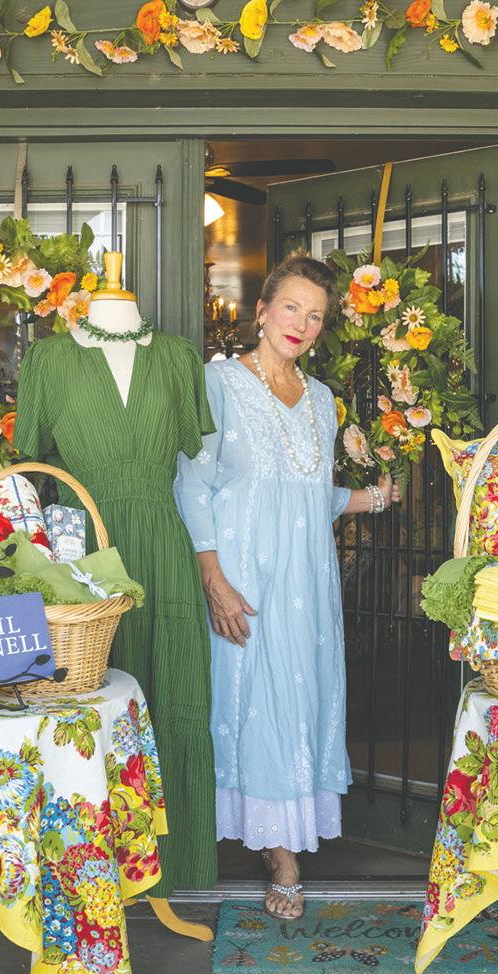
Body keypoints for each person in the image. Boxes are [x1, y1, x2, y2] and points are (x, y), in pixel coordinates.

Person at [174, 254, 400, 920]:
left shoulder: (323, 400)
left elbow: (307, 495)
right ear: (263, 310)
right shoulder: (218, 383)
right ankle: (282, 859)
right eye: (291, 307)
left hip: (308, 582)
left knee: (300, 703)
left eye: (316, 316)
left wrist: (373, 498)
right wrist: (212, 576)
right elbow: (193, 484)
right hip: (244, 578)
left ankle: (285, 840)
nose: (301, 323)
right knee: (258, 706)